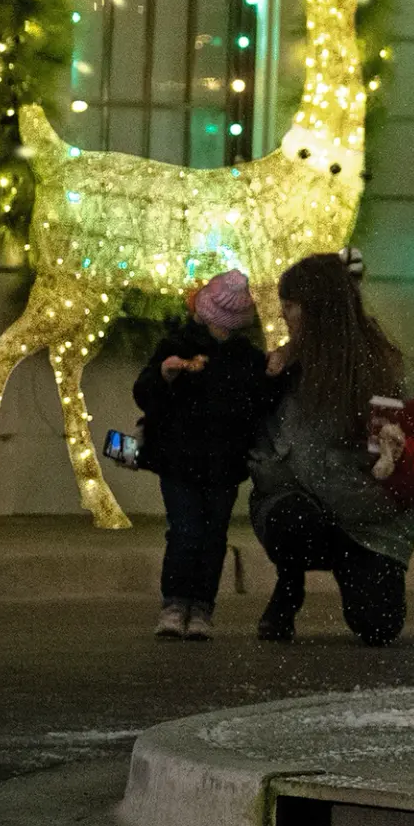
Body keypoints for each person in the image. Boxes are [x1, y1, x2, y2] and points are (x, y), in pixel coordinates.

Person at [249, 251, 414, 645]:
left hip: (371, 520)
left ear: (318, 310)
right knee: (291, 520)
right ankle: (289, 586)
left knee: (378, 626)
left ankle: (357, 566)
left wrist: (399, 454)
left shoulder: (386, 371)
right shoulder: (282, 368)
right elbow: (251, 437)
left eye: (291, 305)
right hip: (303, 505)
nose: (283, 314)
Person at [132, 270, 267, 639]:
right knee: (187, 531)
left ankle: (199, 608)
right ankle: (177, 604)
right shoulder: (177, 347)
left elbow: (259, 403)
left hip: (221, 464)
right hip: (181, 461)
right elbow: (144, 392)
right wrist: (164, 375)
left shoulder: (246, 360)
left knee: (210, 536)